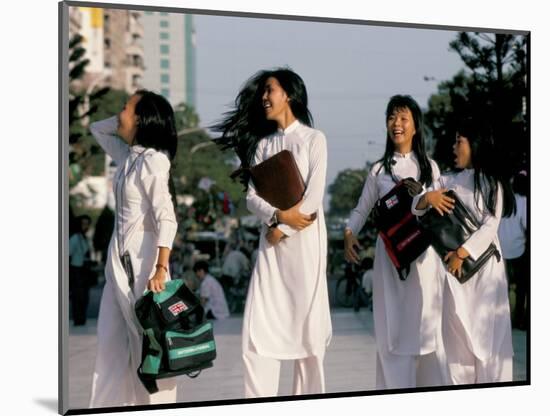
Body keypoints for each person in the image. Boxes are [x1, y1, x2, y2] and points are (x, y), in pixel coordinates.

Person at [213, 67, 332, 397]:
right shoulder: (263, 146)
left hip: (305, 245)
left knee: (307, 336)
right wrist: (277, 217)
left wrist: (284, 228)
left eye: (271, 90)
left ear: (289, 94)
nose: (265, 97)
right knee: (256, 332)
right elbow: (252, 197)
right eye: (264, 91)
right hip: (271, 247)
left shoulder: (314, 139)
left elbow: (314, 199)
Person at [344, 94, 444, 389]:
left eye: (403, 118)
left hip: (424, 258)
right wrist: (349, 232)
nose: (396, 124)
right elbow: (362, 208)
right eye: (391, 117)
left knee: (425, 327)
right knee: (392, 328)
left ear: (415, 126)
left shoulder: (431, 168)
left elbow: (440, 215)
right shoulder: (378, 170)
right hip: (389, 257)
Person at [88, 90, 179, 407]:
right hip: (118, 267)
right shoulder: (127, 157)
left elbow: (167, 218)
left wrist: (160, 268)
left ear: (141, 118)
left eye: (125, 107)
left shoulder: (153, 161)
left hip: (144, 268)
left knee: (150, 351)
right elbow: (96, 129)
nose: (119, 111)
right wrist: (122, 121)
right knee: (110, 347)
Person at [414, 117, 516, 384]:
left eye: (459, 141)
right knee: (456, 341)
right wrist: (427, 198)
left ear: (475, 144)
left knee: (489, 341)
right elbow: (416, 208)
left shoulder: (491, 182)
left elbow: (490, 225)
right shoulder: (446, 179)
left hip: (484, 272)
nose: (454, 147)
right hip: (455, 276)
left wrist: (461, 253)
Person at [497, 171, 528, 330]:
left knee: (504, 286)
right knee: (522, 287)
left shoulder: (504, 200)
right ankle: (520, 320)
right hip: (518, 249)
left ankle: (503, 319)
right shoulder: (524, 202)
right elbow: (526, 225)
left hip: (501, 249)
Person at [69, 214, 93, 326]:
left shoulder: (85, 238)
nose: (86, 226)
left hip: (84, 270)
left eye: (87, 224)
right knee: (77, 295)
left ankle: (81, 317)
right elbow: (67, 254)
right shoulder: (75, 238)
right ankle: (77, 318)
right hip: (76, 269)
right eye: (83, 224)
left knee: (84, 296)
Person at [220, 242, 251, 311]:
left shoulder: (232, 253)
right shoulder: (243, 256)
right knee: (232, 291)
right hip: (231, 275)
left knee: (225, 292)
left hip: (223, 274)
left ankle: (225, 307)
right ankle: (232, 307)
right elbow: (246, 269)